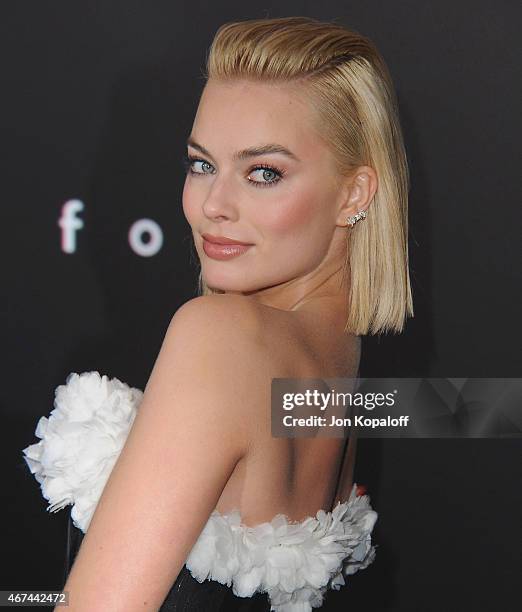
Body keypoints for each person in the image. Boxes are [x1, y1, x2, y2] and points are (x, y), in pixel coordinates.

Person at [24, 15, 413, 612]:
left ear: (356, 194)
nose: (212, 205)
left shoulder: (221, 336)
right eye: (202, 164)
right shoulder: (336, 358)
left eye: (264, 173)